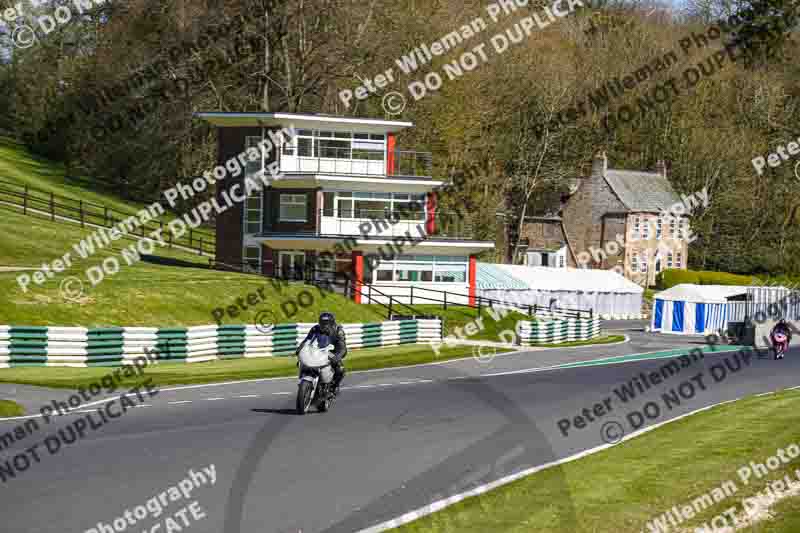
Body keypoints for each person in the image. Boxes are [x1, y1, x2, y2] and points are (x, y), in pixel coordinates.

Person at [296, 312, 347, 393]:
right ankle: (303, 378)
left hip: (331, 351)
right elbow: (307, 340)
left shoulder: (338, 331)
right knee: (302, 361)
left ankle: (334, 386)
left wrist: (338, 356)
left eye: (327, 323)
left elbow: (342, 347)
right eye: (322, 323)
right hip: (317, 349)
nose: (324, 326)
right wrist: (300, 349)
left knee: (340, 369)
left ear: (332, 323)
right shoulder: (315, 328)